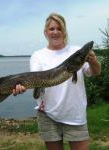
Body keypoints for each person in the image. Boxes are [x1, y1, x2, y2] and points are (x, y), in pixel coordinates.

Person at [12, 13, 101, 150]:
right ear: (46, 32)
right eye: (52, 29)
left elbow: (95, 72)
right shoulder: (38, 55)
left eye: (59, 28)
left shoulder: (76, 51)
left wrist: (93, 60)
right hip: (48, 115)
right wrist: (20, 86)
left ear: (64, 31)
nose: (55, 32)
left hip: (75, 114)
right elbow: (35, 79)